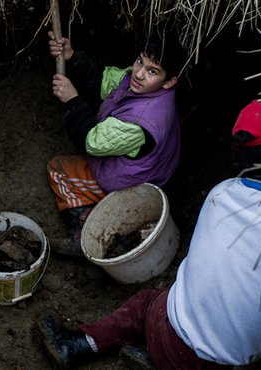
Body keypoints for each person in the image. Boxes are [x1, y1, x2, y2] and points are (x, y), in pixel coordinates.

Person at [37, 97, 261, 370]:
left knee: (148, 302)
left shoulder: (222, 192)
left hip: (166, 337)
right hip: (228, 366)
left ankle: (77, 344)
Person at [46, 31, 184, 256]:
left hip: (131, 187)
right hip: (152, 169)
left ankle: (83, 230)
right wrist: (71, 56)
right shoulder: (141, 86)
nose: (139, 73)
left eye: (152, 71)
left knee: (57, 169)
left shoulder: (141, 122)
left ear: (169, 81)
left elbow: (90, 142)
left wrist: (72, 100)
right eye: (140, 61)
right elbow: (103, 78)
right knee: (93, 124)